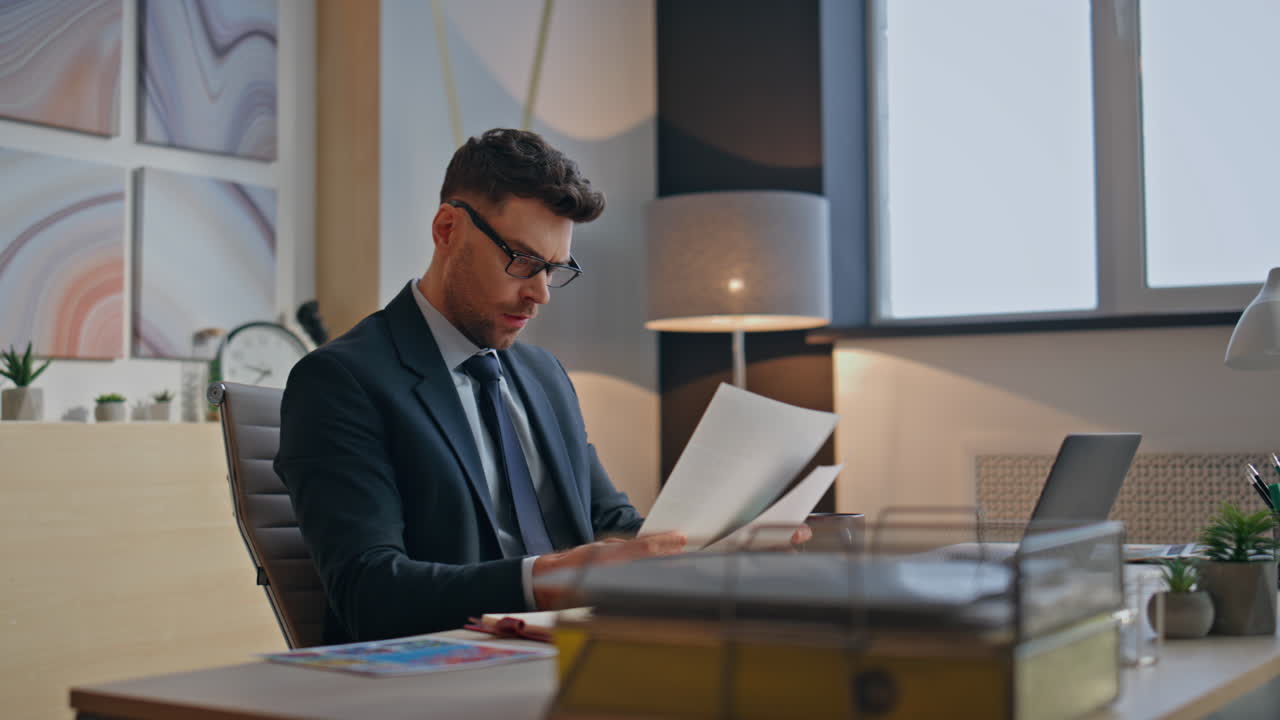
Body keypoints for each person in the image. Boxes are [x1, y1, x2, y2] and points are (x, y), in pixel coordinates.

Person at [275, 129, 687, 643]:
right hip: (439, 675)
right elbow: (369, 592)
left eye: (555, 270)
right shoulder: (342, 381)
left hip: (572, 654)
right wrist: (547, 581)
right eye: (522, 260)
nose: (540, 294)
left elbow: (610, 521)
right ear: (448, 229)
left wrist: (712, 549)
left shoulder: (544, 377)